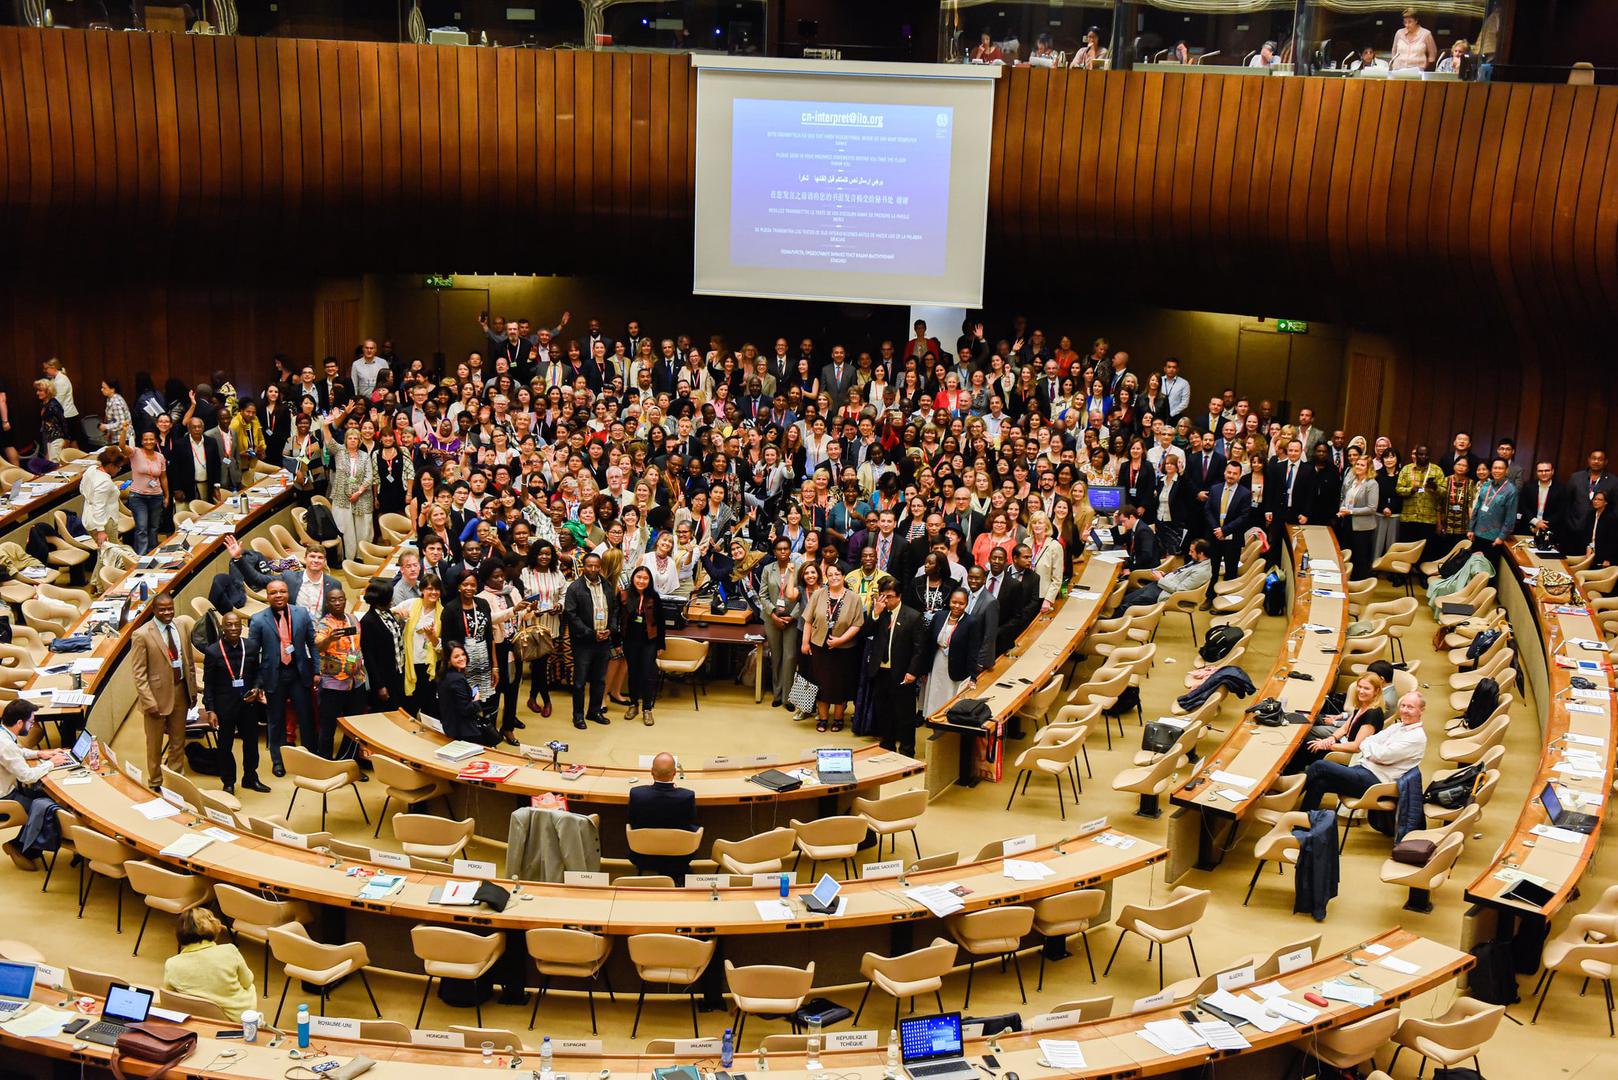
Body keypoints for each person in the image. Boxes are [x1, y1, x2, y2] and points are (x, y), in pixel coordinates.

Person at [1301, 691, 1427, 811]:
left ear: (1421, 710)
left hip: (1376, 782)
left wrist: (1372, 751)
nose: (1404, 710)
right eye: (1403, 706)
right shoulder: (1397, 726)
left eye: (1410, 707)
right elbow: (1366, 741)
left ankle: (1291, 794)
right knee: (1320, 782)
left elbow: (1382, 755)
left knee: (1320, 766)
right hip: (1364, 769)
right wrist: (1374, 751)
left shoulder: (1416, 737)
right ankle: (1304, 821)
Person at [247, 579, 318, 777]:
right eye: (274, 593)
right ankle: (278, 761)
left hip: (298, 674)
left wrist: (317, 671)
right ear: (267, 596)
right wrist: (257, 683)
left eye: (282, 591)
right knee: (275, 720)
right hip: (274, 676)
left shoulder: (301, 613)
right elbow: (253, 655)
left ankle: (311, 758)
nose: (278, 595)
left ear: (288, 593)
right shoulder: (258, 619)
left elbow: (312, 643)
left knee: (306, 717)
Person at [130, 593, 198, 792]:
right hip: (156, 697)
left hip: (180, 690)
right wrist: (148, 701)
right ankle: (155, 782)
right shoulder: (142, 634)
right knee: (154, 744)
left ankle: (176, 780)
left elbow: (188, 661)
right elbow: (139, 673)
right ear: (153, 610)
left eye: (170, 608)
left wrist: (192, 690)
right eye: (163, 609)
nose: (168, 612)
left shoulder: (181, 626)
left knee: (178, 740)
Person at [202, 610, 268, 795]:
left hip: (248, 704)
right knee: (225, 746)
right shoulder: (213, 651)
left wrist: (256, 688)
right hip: (224, 706)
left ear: (242, 627)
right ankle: (228, 781)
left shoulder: (251, 647)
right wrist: (210, 710)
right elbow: (209, 683)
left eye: (237, 624)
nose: (233, 628)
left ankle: (250, 777)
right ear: (222, 627)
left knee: (251, 743)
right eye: (229, 625)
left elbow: (259, 672)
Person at [859, 576, 925, 755]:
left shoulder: (913, 616)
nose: (885, 600)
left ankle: (907, 751)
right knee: (883, 712)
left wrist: (913, 672)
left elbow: (919, 649)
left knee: (905, 715)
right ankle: (887, 747)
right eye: (882, 596)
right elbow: (865, 632)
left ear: (899, 596)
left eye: (889, 596)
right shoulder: (879, 612)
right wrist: (875, 613)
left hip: (903, 673)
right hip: (880, 671)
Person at [0, 700, 68, 871]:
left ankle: (21, 845)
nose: (32, 726)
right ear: (19, 723)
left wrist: (40, 754)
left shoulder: (3, 734)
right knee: (47, 810)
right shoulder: (5, 745)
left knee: (46, 797)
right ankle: (21, 848)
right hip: (5, 799)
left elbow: (18, 751)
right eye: (31, 722)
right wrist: (52, 763)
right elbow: (27, 776)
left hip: (8, 790)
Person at [161, 908, 257, 1022]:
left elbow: (170, 995)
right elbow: (247, 981)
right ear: (214, 926)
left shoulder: (172, 964)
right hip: (238, 1018)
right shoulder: (229, 951)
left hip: (199, 1018)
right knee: (251, 987)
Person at [803, 561, 864, 732]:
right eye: (830, 575)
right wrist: (805, 642)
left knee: (840, 685)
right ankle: (823, 719)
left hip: (844, 649)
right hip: (819, 646)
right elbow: (808, 621)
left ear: (843, 576)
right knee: (821, 684)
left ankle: (838, 719)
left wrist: (841, 640)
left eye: (837, 574)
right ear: (826, 577)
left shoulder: (854, 598)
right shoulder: (818, 594)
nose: (834, 577)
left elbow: (857, 625)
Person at [442, 570, 500, 741]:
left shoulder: (482, 604)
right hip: (463, 662)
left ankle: (488, 736)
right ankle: (470, 738)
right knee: (467, 703)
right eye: (465, 584)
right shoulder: (450, 609)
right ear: (459, 587)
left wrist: (495, 666)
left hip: (483, 659)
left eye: (473, 585)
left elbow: (490, 636)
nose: (469, 588)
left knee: (486, 701)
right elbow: (447, 643)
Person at [563, 551, 617, 730]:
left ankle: (594, 711)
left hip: (604, 640)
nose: (593, 569)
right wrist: (591, 633)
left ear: (600, 567)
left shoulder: (607, 585)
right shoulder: (574, 588)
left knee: (599, 680)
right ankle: (578, 716)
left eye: (596, 566)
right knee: (580, 682)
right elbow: (571, 615)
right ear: (583, 567)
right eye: (589, 566)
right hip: (584, 642)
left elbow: (615, 610)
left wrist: (611, 629)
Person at [1290, 673, 1386, 772]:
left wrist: (1328, 746)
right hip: (1343, 743)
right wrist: (1331, 738)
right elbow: (1344, 728)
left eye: (1366, 688)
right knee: (1306, 743)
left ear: (1376, 691)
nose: (1361, 691)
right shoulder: (1363, 705)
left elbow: (1356, 747)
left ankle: (1293, 776)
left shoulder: (1373, 714)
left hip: (1350, 755)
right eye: (1359, 686)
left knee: (1305, 746)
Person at [918, 586, 988, 718]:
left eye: (961, 603)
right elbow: (928, 644)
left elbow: (973, 651)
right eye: (954, 602)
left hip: (957, 666)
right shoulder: (939, 616)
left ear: (966, 604)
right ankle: (932, 717)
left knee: (949, 695)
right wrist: (923, 669)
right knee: (935, 692)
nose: (957, 606)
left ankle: (947, 719)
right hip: (937, 661)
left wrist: (972, 676)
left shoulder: (971, 622)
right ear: (949, 601)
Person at [627, 752, 697, 881]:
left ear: (652, 772)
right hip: (679, 857)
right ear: (674, 773)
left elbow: (631, 820)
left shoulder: (637, 794)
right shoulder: (687, 796)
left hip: (642, 856)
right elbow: (691, 821)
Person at [617, 565, 665, 726]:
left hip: (649, 641)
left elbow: (661, 622)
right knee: (633, 674)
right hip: (630, 641)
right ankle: (633, 705)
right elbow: (617, 619)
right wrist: (617, 642)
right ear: (633, 578)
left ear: (649, 580)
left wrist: (661, 645)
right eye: (638, 577)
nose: (641, 581)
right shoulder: (623, 595)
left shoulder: (654, 597)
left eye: (645, 578)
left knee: (647, 674)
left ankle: (647, 709)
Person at [759, 537, 802, 708]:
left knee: (790, 657)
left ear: (790, 550)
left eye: (786, 548)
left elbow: (803, 596)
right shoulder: (768, 569)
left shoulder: (798, 568)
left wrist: (793, 616)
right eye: (779, 549)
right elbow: (762, 595)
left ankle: (788, 697)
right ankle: (777, 694)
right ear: (774, 552)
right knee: (776, 656)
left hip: (792, 618)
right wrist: (773, 615)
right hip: (772, 618)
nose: (783, 551)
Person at [1115, 539, 1213, 612]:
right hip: (1162, 585)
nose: (1189, 553)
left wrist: (1161, 579)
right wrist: (1165, 575)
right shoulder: (1197, 562)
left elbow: (1180, 590)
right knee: (1125, 597)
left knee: (1127, 606)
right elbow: (1180, 575)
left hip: (1165, 593)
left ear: (1201, 553)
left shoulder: (1201, 572)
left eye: (1192, 551)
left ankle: (1110, 623)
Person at [396, 573, 443, 717]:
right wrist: (398, 612)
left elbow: (443, 649)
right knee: (408, 706)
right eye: (429, 589)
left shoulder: (443, 613)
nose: (434, 592)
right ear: (422, 590)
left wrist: (432, 637)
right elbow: (390, 611)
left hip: (429, 667)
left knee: (429, 708)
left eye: (437, 589)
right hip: (409, 663)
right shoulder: (411, 604)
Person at [360, 579, 406, 714]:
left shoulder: (387, 613)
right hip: (383, 679)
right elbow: (369, 658)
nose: (392, 599)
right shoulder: (368, 621)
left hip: (397, 672)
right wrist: (380, 685)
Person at [437, 643, 496, 745]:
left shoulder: (444, 675)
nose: (462, 658)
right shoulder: (457, 679)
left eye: (463, 654)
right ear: (448, 660)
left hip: (450, 726)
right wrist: (476, 700)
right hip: (463, 732)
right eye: (456, 656)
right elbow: (466, 709)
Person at [1467, 457, 1519, 560]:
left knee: (1489, 567)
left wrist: (1501, 537)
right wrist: (1471, 529)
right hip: (1477, 534)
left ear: (1506, 471)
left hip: (1494, 537)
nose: (1497, 471)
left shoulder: (1511, 490)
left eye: (1500, 468)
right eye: (1495, 468)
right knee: (1474, 564)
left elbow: (1510, 517)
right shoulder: (1486, 485)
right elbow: (1477, 508)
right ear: (1491, 470)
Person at [128, 429, 169, 555]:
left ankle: (152, 552)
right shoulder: (135, 452)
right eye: (145, 439)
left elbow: (163, 477)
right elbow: (122, 446)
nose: (149, 441)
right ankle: (141, 556)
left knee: (154, 527)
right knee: (142, 527)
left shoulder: (160, 456)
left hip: (156, 496)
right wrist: (124, 431)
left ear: (156, 441)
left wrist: (167, 495)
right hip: (138, 496)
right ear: (141, 441)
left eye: (151, 439)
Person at [1337, 456, 1379, 579]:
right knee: (1348, 553)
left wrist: (1350, 511)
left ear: (1368, 468)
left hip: (1363, 527)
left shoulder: (1372, 484)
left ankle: (1359, 582)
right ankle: (1347, 580)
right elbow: (1345, 497)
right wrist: (1342, 508)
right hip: (1348, 522)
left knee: (1360, 558)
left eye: (1362, 465)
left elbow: (1372, 508)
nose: (1358, 467)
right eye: (1357, 464)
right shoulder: (1352, 481)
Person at [78, 445, 124, 547]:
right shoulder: (104, 482)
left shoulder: (91, 469)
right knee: (111, 552)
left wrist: (113, 489)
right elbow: (98, 506)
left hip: (89, 517)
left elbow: (82, 488)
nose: (119, 470)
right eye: (118, 467)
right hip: (104, 522)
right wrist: (101, 531)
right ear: (111, 465)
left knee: (104, 551)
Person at [1390, 7, 1437, 72]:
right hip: (1398, 70)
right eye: (1405, 22)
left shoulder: (1426, 34)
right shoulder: (1399, 33)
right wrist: (1394, 64)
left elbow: (1432, 55)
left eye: (1410, 22)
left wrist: (1424, 68)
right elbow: (1394, 51)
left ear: (1416, 21)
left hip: (1417, 71)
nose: (1407, 25)